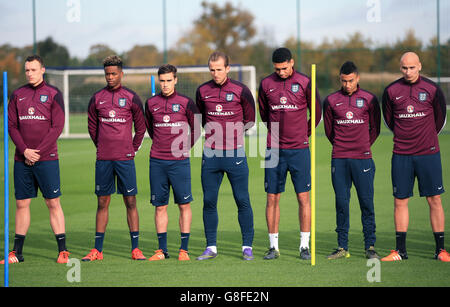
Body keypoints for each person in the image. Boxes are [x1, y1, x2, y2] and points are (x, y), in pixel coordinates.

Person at [381, 52, 450, 262]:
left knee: (434, 200)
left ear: (419, 66)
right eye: (404, 68)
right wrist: (406, 138)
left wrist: (425, 139)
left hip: (428, 153)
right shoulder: (391, 91)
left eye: (412, 67)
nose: (408, 72)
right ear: (400, 68)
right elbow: (389, 121)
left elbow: (440, 121)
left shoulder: (432, 89)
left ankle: (440, 250)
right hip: (401, 154)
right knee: (400, 200)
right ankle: (400, 251)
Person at [1, 55, 69, 264]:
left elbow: (57, 127)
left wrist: (37, 152)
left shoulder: (53, 94)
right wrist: (24, 150)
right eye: (27, 70)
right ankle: (16, 253)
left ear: (43, 70)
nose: (30, 73)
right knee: (22, 203)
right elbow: (11, 126)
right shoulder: (18, 94)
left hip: (47, 158)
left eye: (33, 69)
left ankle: (63, 251)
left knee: (53, 202)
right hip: (22, 160)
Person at [258, 47, 322, 260]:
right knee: (272, 198)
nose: (281, 72)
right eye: (277, 69)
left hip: (299, 149)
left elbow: (317, 113)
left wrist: (304, 132)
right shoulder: (266, 84)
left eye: (284, 68)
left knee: (303, 197)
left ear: (292, 63)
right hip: (273, 149)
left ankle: (304, 246)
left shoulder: (305, 82)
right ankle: (273, 247)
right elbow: (264, 115)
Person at [83, 55, 147, 261]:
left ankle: (136, 248)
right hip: (104, 158)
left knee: (130, 201)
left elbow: (141, 126)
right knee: (102, 202)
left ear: (121, 74)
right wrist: (101, 145)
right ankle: (97, 250)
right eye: (107, 74)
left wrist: (133, 149)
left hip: (125, 159)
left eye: (113, 74)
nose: (110, 77)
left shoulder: (131, 97)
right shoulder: (96, 98)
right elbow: (92, 126)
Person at [195, 51, 256, 260]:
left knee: (242, 199)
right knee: (209, 201)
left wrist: (233, 136)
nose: (215, 73)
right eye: (212, 70)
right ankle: (211, 247)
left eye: (219, 69)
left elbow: (250, 119)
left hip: (235, 153)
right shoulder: (202, 90)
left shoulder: (241, 90)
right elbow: (201, 119)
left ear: (227, 69)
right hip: (211, 154)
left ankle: (247, 247)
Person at [323, 61, 381, 259]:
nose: (347, 84)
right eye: (343, 81)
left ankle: (370, 246)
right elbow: (329, 131)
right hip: (339, 159)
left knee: (366, 202)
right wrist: (343, 147)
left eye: (351, 81)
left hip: (363, 159)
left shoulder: (369, 99)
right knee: (341, 203)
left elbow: (376, 129)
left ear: (358, 78)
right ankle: (342, 247)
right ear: (339, 79)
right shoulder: (331, 100)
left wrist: (362, 147)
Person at [144, 64, 201, 261]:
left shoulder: (186, 102)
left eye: (169, 80)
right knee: (160, 206)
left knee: (184, 205)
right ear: (158, 81)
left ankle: (183, 250)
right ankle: (162, 250)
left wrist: (186, 147)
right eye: (162, 81)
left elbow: (197, 129)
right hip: (157, 161)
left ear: (175, 80)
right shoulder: (150, 103)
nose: (165, 84)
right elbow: (151, 129)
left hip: (179, 163)